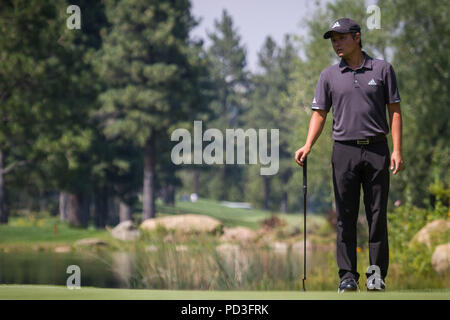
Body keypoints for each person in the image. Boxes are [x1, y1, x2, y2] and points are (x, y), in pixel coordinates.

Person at [294, 18, 404, 292]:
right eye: (333, 39)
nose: (336, 43)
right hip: (343, 151)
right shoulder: (328, 76)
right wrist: (308, 146)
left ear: (357, 37)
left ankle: (376, 275)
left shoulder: (382, 69)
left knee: (377, 215)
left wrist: (398, 150)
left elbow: (395, 110)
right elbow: (319, 114)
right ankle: (347, 276)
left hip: (377, 149)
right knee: (345, 215)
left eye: (341, 37)